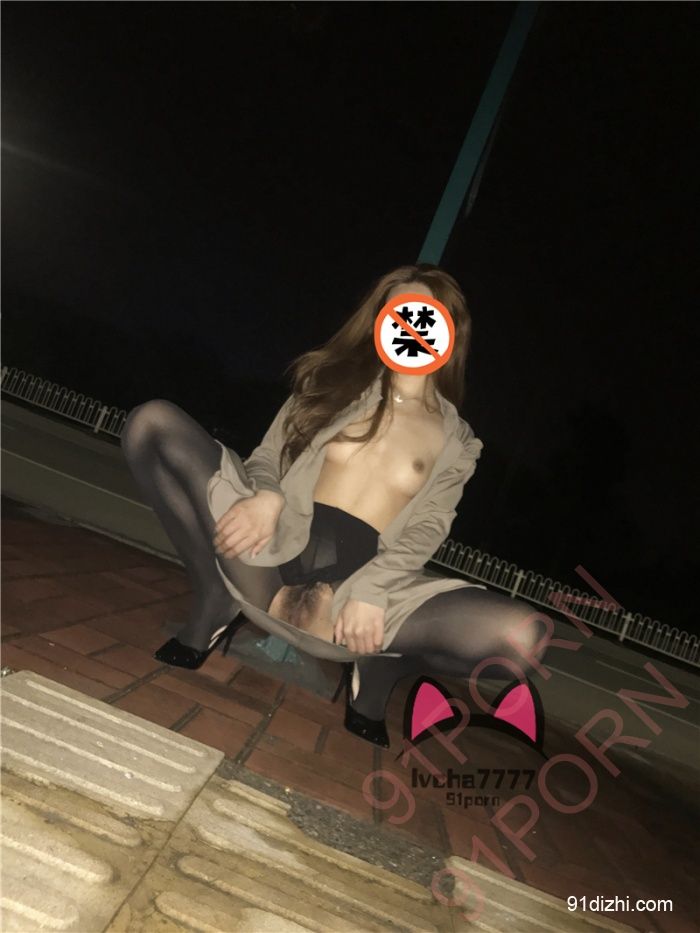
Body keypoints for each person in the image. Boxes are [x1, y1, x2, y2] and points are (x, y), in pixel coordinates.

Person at [121, 264, 548, 747]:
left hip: (363, 598)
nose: (409, 326)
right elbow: (268, 456)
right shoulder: (332, 384)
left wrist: (375, 589)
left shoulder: (458, 440)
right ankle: (214, 594)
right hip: (268, 555)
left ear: (450, 328)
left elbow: (429, 526)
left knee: (523, 639)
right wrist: (268, 495)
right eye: (396, 313)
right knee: (151, 424)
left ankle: (385, 665)